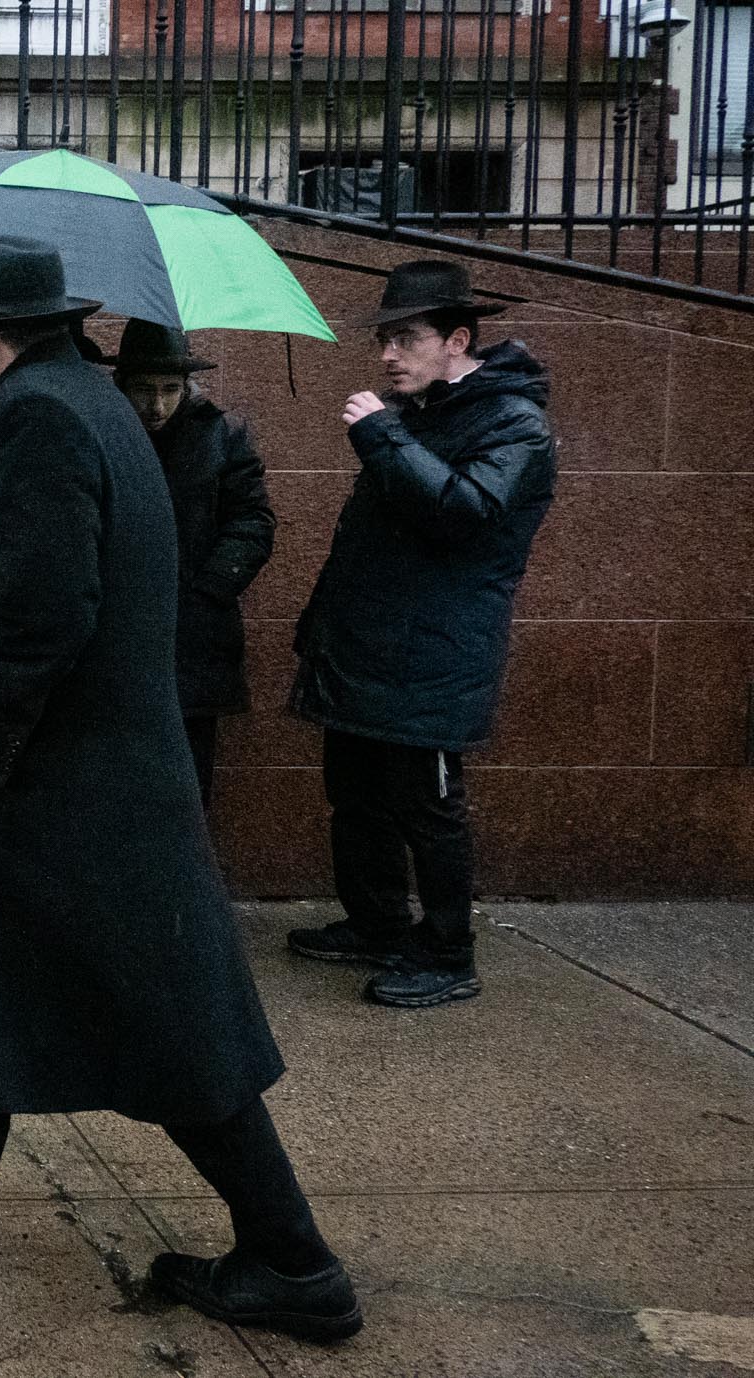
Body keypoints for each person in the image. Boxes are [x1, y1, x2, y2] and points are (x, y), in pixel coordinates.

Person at [0, 237, 360, 1344]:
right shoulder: (81, 399)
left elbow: (46, 613)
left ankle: (295, 1261)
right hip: (87, 779)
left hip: (75, 789)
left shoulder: (39, 416)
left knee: (169, 1028)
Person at [285, 260, 558, 1009]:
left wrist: (381, 436)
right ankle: (377, 924)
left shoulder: (513, 424)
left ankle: (447, 953)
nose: (388, 355)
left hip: (436, 654)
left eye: (405, 338)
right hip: (365, 648)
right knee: (358, 798)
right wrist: (321, 629)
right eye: (385, 339)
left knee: (428, 809)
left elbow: (463, 513)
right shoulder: (418, 414)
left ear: (457, 340)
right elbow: (368, 540)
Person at [108, 321, 276, 806]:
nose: (157, 405)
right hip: (117, 628)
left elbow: (252, 521)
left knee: (187, 782)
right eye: (144, 390)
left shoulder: (219, 434)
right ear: (123, 385)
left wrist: (208, 590)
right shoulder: (103, 429)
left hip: (194, 638)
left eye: (170, 389)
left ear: (186, 386)